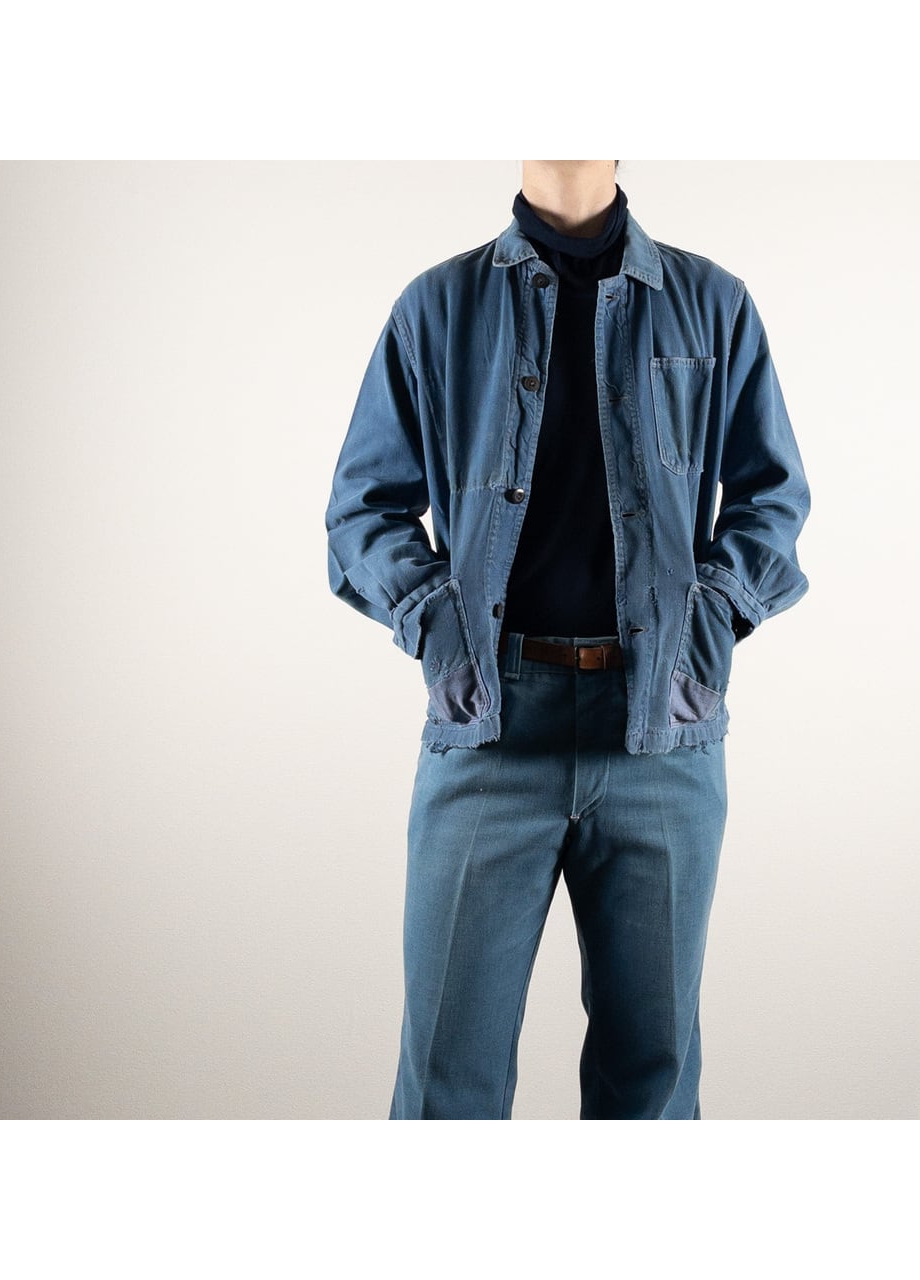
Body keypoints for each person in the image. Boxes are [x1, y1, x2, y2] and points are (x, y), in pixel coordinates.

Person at [325, 160, 811, 1119]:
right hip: (489, 731)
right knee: (446, 1085)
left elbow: (773, 497)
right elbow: (362, 510)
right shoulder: (438, 306)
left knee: (651, 1086)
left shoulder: (711, 303)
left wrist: (705, 631)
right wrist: (442, 634)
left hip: (662, 736)